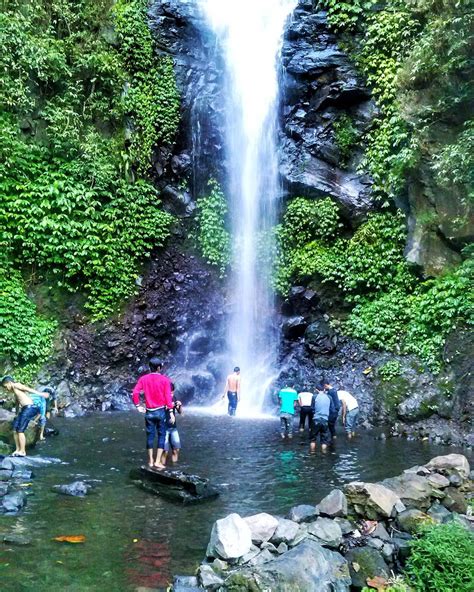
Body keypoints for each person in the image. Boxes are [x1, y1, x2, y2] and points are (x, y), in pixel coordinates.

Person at [132, 358, 174, 469]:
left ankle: (150, 461)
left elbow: (135, 392)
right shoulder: (165, 380)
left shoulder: (143, 379)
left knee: (150, 436)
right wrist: (170, 410)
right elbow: (168, 398)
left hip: (149, 412)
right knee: (161, 436)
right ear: (159, 367)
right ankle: (157, 461)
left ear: (149, 367)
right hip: (160, 412)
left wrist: (138, 406)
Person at [1, 376, 49, 456]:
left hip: (30, 408)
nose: (6, 389)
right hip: (24, 409)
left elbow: (27, 389)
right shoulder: (15, 391)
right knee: (15, 429)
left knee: (20, 430)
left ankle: (23, 451)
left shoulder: (16, 385)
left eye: (6, 387)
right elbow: (17, 403)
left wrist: (41, 394)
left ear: (9, 383)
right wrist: (16, 415)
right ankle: (17, 449)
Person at [161, 383, 183, 465]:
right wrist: (169, 406)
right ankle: (161, 468)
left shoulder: (173, 398)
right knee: (165, 451)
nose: (171, 394)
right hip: (163, 428)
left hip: (173, 427)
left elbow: (180, 412)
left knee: (176, 449)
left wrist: (179, 406)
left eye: (172, 392)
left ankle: (174, 467)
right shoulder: (161, 399)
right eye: (170, 393)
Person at [310, 387, 334, 452]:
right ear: (324, 390)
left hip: (316, 420)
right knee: (324, 440)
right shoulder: (329, 397)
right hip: (325, 420)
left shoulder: (314, 397)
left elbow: (312, 408)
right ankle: (324, 454)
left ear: (316, 390)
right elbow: (332, 409)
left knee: (313, 439)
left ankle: (312, 454)